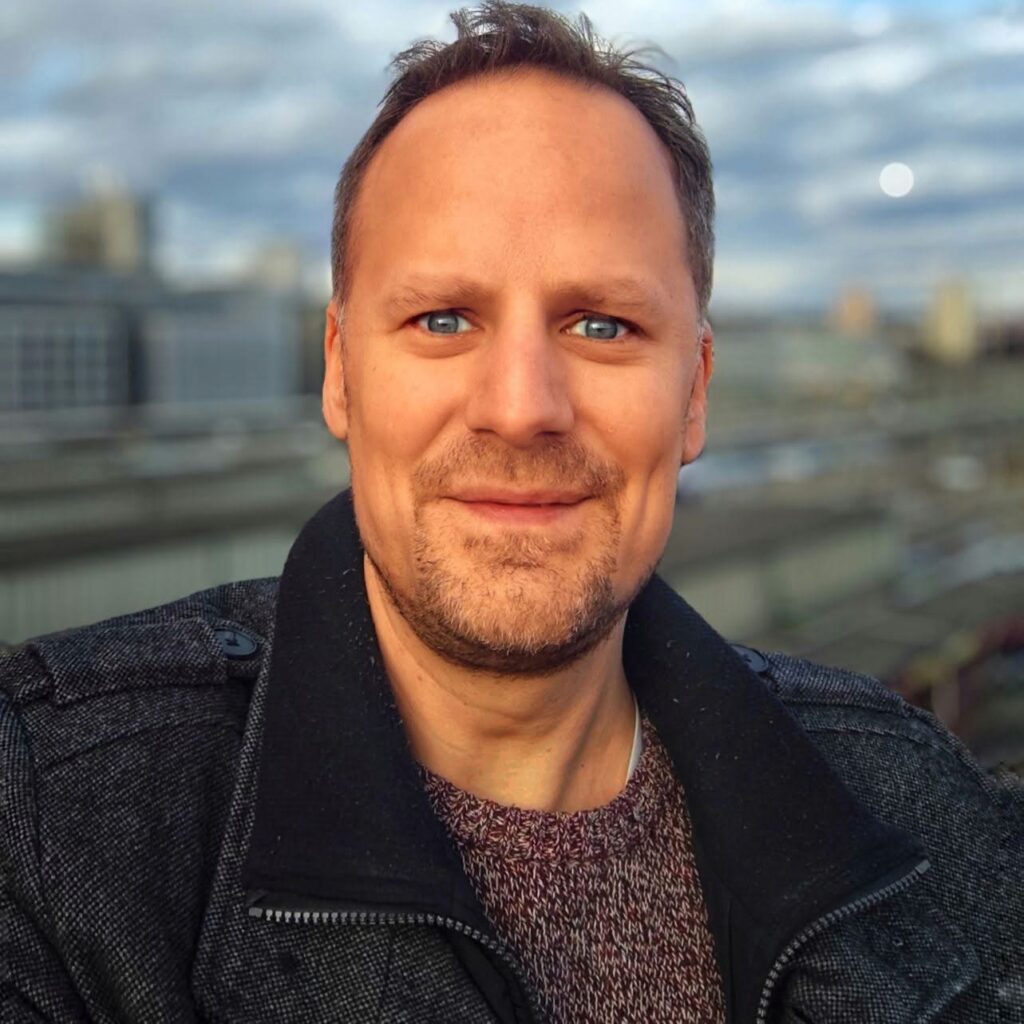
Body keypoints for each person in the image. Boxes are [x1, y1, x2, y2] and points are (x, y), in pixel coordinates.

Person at [2, 3, 1021, 1022]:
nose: (522, 406)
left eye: (602, 324)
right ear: (341, 373)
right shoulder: (47, 821)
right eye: (443, 318)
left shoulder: (922, 805)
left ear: (695, 393)